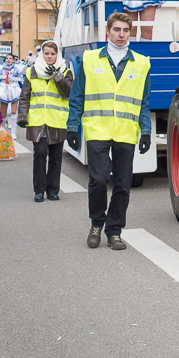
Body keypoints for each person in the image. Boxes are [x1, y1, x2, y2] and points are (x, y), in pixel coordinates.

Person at [67, 13, 152, 251]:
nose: (121, 34)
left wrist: (146, 131)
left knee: (123, 185)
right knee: (99, 179)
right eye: (116, 30)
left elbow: (144, 102)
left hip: (126, 131)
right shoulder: (90, 59)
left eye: (125, 30)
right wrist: (72, 126)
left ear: (130, 32)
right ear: (108, 31)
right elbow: (77, 96)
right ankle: (97, 224)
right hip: (97, 130)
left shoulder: (142, 63)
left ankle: (114, 231)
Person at [17, 40, 73, 202]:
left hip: (57, 121)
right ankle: (39, 190)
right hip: (38, 121)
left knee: (56, 158)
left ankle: (53, 190)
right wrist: (22, 115)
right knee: (40, 154)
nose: (49, 56)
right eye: (46, 53)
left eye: (52, 54)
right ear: (42, 54)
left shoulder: (66, 71)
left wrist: (57, 76)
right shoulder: (32, 71)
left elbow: (68, 93)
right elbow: (24, 96)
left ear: (57, 55)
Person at [0, 53, 26, 140]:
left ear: (13, 60)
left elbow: (24, 70)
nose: (8, 60)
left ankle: (13, 132)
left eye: (10, 58)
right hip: (4, 91)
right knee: (3, 114)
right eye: (7, 58)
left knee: (13, 112)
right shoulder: (1, 68)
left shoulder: (17, 68)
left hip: (14, 90)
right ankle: (3, 131)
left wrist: (29, 64)